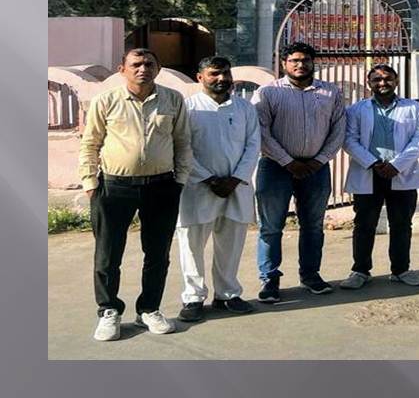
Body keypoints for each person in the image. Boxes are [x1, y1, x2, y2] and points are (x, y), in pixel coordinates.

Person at [78, 48, 193, 341]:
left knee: (157, 253)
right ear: (122, 69)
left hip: (162, 187)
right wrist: (90, 183)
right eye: (136, 64)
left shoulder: (172, 99)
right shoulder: (107, 100)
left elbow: (182, 141)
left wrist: (179, 180)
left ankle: (149, 309)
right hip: (114, 187)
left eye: (149, 64)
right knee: (108, 254)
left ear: (158, 68)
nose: (143, 69)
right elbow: (90, 143)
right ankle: (108, 310)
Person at [251, 42, 346, 302]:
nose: (300, 65)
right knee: (271, 227)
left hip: (316, 168)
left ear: (313, 63)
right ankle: (269, 279)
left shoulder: (330, 92)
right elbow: (260, 130)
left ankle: (311, 275)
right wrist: (287, 161)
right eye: (294, 60)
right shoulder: (267, 92)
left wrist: (320, 160)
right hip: (275, 167)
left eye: (305, 60)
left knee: (313, 226)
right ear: (284, 64)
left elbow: (339, 129)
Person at [176, 56, 260, 322]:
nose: (222, 78)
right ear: (200, 77)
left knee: (231, 244)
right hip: (198, 188)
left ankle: (227, 294)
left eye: (225, 73)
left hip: (236, 187)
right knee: (192, 245)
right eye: (214, 73)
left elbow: (253, 145)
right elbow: (182, 148)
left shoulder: (245, 108)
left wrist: (235, 179)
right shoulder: (188, 108)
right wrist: (209, 179)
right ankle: (193, 297)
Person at [340, 64, 419, 290]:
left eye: (387, 79)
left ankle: (401, 270)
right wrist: (373, 163)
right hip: (368, 172)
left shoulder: (413, 108)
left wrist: (397, 165)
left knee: (401, 224)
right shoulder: (356, 109)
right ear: (369, 83)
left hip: (401, 173)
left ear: (396, 81)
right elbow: (349, 140)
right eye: (376, 79)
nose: (382, 83)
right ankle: (360, 271)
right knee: (364, 224)